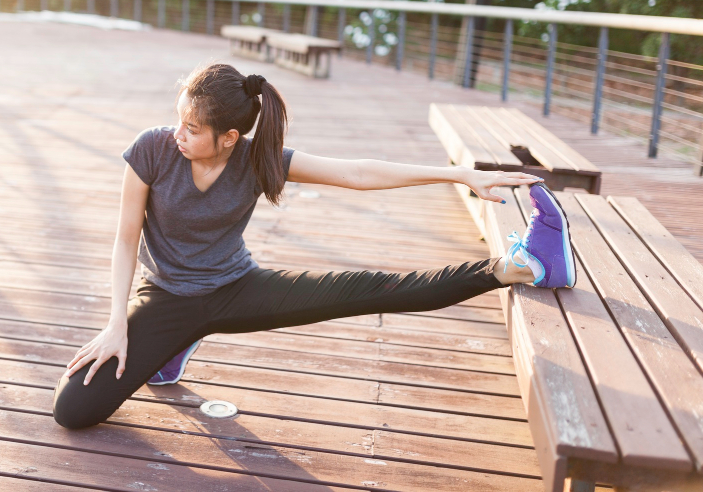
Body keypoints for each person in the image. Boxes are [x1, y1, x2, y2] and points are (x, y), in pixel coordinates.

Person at [53, 63, 576, 430]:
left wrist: (459, 174)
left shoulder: (258, 158)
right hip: (165, 296)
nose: (178, 134)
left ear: (230, 136)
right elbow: (124, 239)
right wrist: (116, 322)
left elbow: (357, 172)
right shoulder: (152, 149)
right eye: (179, 119)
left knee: (373, 290)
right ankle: (171, 344)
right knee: (72, 410)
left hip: (236, 288)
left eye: (193, 128)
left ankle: (518, 266)